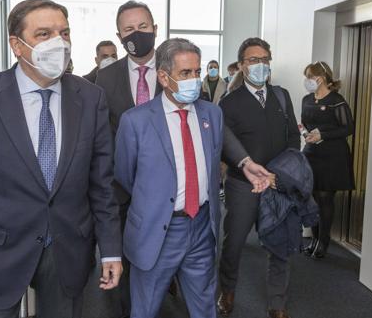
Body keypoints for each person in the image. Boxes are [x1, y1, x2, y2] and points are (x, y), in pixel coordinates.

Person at [0, 0, 123, 318]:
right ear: (17, 45)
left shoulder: (90, 98)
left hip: (67, 249)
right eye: (44, 34)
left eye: (64, 33)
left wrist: (111, 251)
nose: (58, 43)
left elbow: (101, 185)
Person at [114, 38, 271, 318]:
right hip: (157, 231)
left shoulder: (211, 113)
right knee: (145, 309)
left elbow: (221, 150)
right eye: (185, 73)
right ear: (164, 77)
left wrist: (246, 162)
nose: (195, 80)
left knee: (204, 308)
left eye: (197, 72)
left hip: (201, 226)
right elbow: (126, 177)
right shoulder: (135, 121)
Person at [218, 37, 300, 318]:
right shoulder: (229, 103)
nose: (260, 65)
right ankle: (227, 290)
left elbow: (293, 137)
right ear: (242, 65)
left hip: (277, 185)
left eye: (265, 59)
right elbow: (225, 148)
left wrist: (283, 173)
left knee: (280, 244)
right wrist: (247, 171)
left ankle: (278, 304)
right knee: (235, 242)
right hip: (244, 186)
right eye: (253, 60)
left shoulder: (282, 96)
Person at [95, 0, 162, 318]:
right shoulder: (106, 79)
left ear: (156, 29)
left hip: (165, 190)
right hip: (121, 189)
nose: (138, 34)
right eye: (129, 29)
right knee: (122, 262)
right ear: (120, 36)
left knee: (161, 265)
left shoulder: (174, 70)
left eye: (143, 27)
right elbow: (103, 138)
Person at [300, 61, 355, 259]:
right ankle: (314, 239)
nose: (306, 81)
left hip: (333, 155)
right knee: (310, 198)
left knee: (325, 198)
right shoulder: (307, 99)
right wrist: (306, 133)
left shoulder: (336, 100)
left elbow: (348, 128)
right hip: (311, 153)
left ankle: (323, 242)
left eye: (309, 77)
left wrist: (323, 134)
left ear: (320, 78)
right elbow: (305, 123)